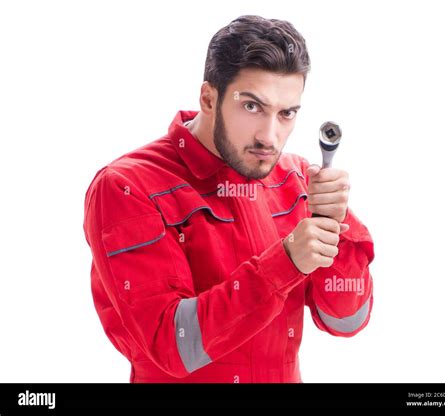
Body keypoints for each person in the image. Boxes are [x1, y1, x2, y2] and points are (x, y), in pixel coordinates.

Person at [83, 15, 374, 383]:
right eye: (252, 107)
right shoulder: (128, 187)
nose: (270, 137)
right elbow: (172, 344)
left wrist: (337, 226)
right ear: (208, 98)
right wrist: (286, 261)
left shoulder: (296, 179)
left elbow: (347, 320)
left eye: (286, 114)